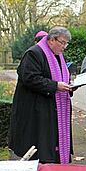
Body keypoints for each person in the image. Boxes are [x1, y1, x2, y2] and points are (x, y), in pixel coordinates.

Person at [9, 26, 73, 163]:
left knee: (51, 143)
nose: (64, 46)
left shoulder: (58, 55)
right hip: (36, 110)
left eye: (66, 43)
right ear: (51, 39)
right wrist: (55, 86)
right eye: (62, 42)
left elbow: (62, 76)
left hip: (53, 108)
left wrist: (69, 85)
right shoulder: (34, 53)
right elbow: (29, 78)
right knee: (40, 144)